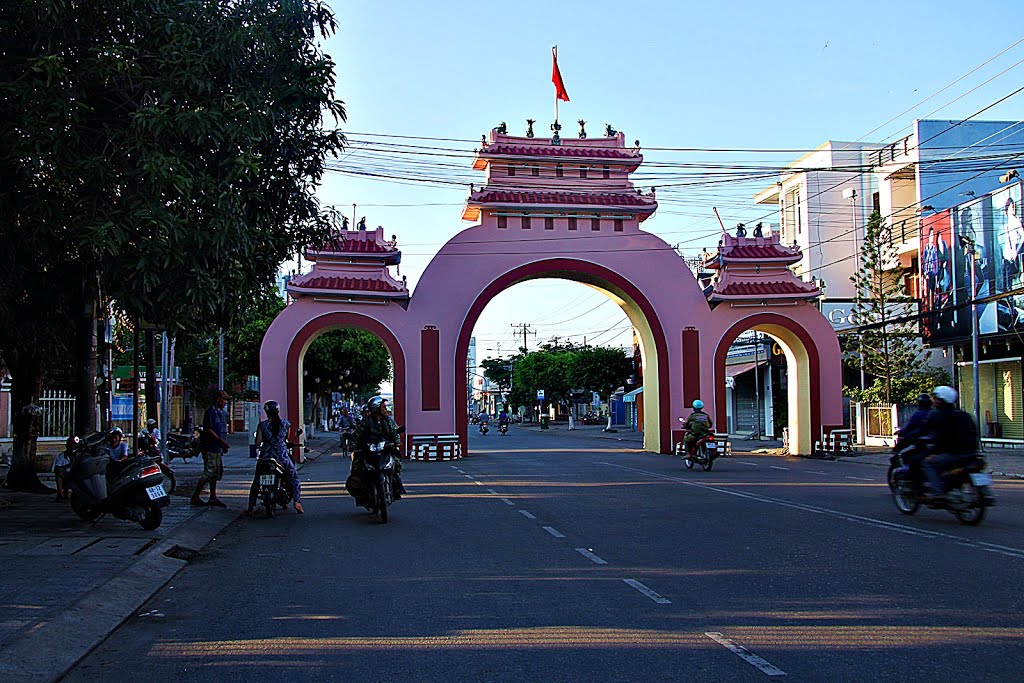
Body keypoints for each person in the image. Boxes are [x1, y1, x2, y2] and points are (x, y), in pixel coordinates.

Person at [245, 400, 303, 516]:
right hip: (281, 456)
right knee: (294, 478)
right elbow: (286, 439)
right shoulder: (285, 424)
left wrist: (260, 445)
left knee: (256, 481)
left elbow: (258, 442)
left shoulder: (262, 425)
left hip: (265, 457)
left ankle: (250, 507)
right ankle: (297, 502)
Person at [921, 385, 979, 500]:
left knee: (928, 463)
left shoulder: (940, 416)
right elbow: (974, 433)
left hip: (953, 454)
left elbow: (940, 438)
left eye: (937, 399)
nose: (934, 401)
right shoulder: (964, 415)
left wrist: (933, 453)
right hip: (971, 453)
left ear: (942, 400)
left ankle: (937, 493)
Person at [350, 395, 405, 500]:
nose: (385, 409)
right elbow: (357, 434)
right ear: (376, 408)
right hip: (369, 448)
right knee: (357, 463)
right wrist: (353, 445)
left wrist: (397, 441)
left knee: (396, 461)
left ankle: (396, 486)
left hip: (385, 447)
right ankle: (359, 489)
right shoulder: (366, 422)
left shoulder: (388, 420)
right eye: (383, 407)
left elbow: (395, 431)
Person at [190, 390, 230, 507]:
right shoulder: (210, 412)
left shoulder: (218, 413)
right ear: (218, 399)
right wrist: (220, 442)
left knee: (215, 473)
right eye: (224, 400)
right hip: (210, 447)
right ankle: (195, 496)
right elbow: (209, 430)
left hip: (216, 448)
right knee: (208, 473)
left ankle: (213, 497)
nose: (225, 403)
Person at [895, 394, 933, 472]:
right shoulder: (933, 413)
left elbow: (910, 427)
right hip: (932, 443)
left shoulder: (918, 414)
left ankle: (908, 471)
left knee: (908, 456)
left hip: (921, 443)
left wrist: (903, 433)